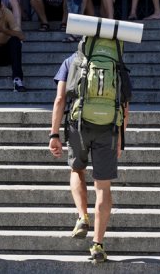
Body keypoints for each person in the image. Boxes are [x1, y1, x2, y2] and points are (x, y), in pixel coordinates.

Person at [49, 52, 130, 264]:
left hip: (79, 124)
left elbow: (59, 99)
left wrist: (54, 134)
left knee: (77, 170)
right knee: (103, 186)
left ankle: (83, 216)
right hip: (109, 128)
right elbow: (125, 103)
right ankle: (97, 245)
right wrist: (121, 137)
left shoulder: (71, 60)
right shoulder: (115, 61)